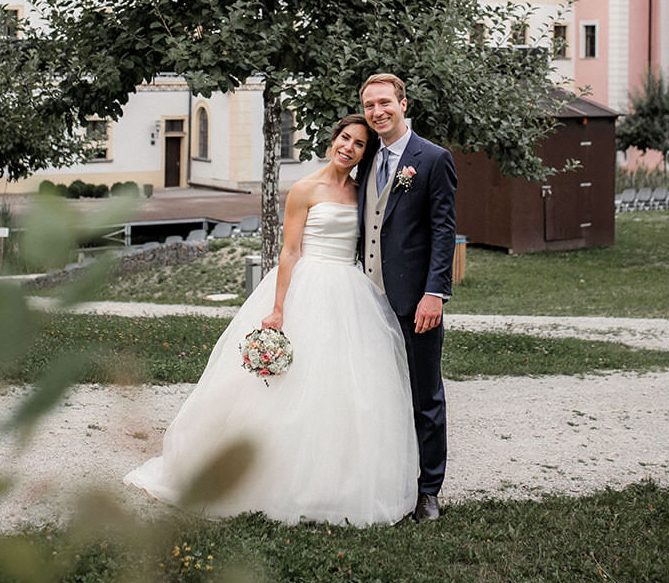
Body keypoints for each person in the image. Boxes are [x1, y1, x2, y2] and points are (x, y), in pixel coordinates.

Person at [123, 114, 418, 526]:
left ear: (366, 153)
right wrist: (279, 308)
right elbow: (290, 251)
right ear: (333, 140)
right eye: (345, 138)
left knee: (346, 389)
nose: (349, 147)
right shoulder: (304, 189)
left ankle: (335, 481)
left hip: (350, 293)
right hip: (306, 286)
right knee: (283, 389)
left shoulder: (362, 193)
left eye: (359, 144)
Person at [358, 72, 457, 522]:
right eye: (369, 106)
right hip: (366, 300)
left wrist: (434, 294)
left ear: (402, 102)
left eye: (384, 103)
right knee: (376, 394)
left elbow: (443, 231)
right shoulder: (365, 160)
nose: (377, 112)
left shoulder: (433, 159)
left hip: (416, 301)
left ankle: (429, 490)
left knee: (424, 396)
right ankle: (386, 481)